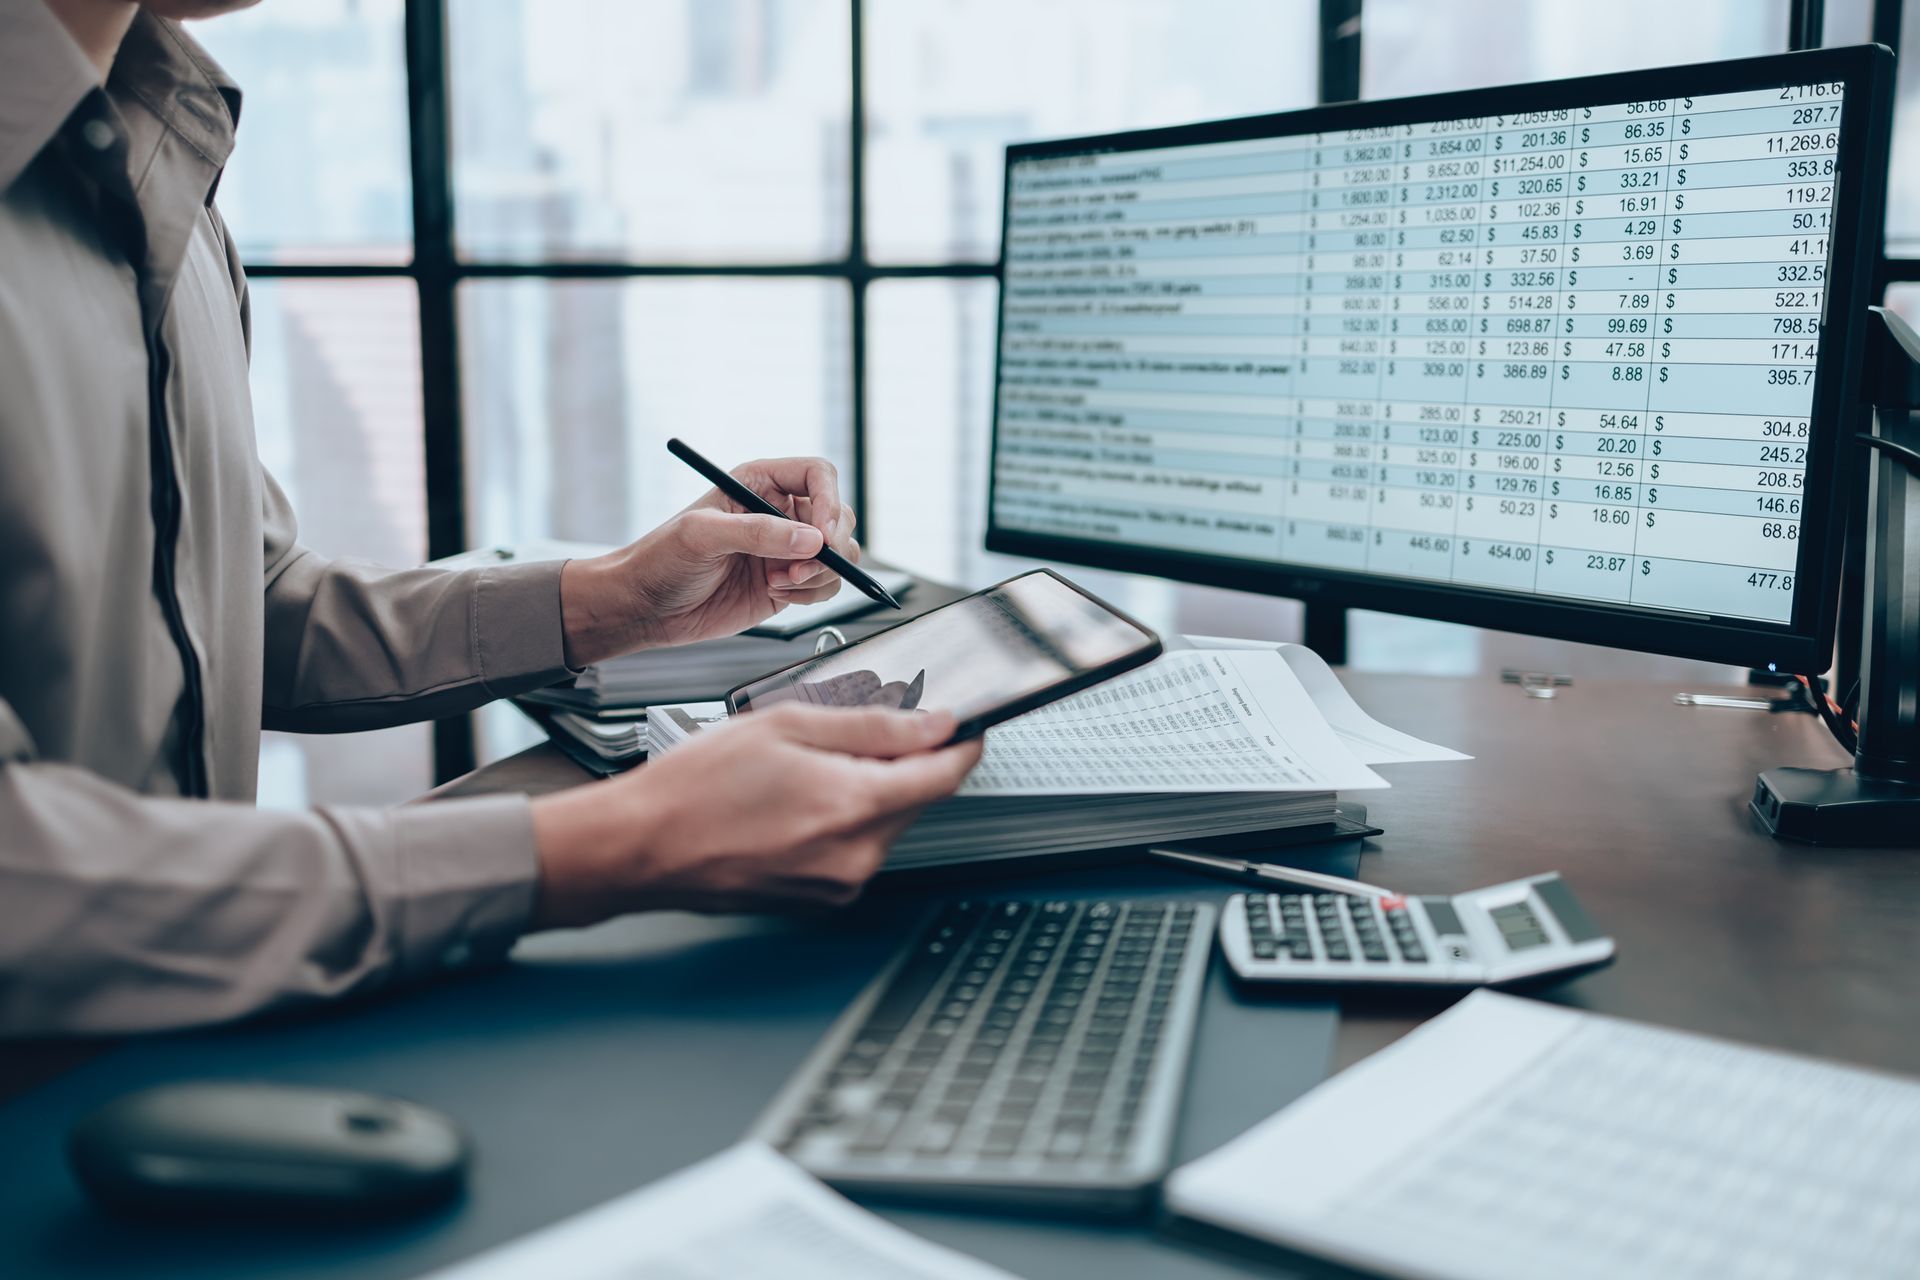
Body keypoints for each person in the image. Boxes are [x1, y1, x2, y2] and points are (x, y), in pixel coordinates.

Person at [0, 0, 982, 1036]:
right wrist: (606, 843)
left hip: (194, 1036)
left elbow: (240, 608)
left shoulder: (161, 148)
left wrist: (615, 601)